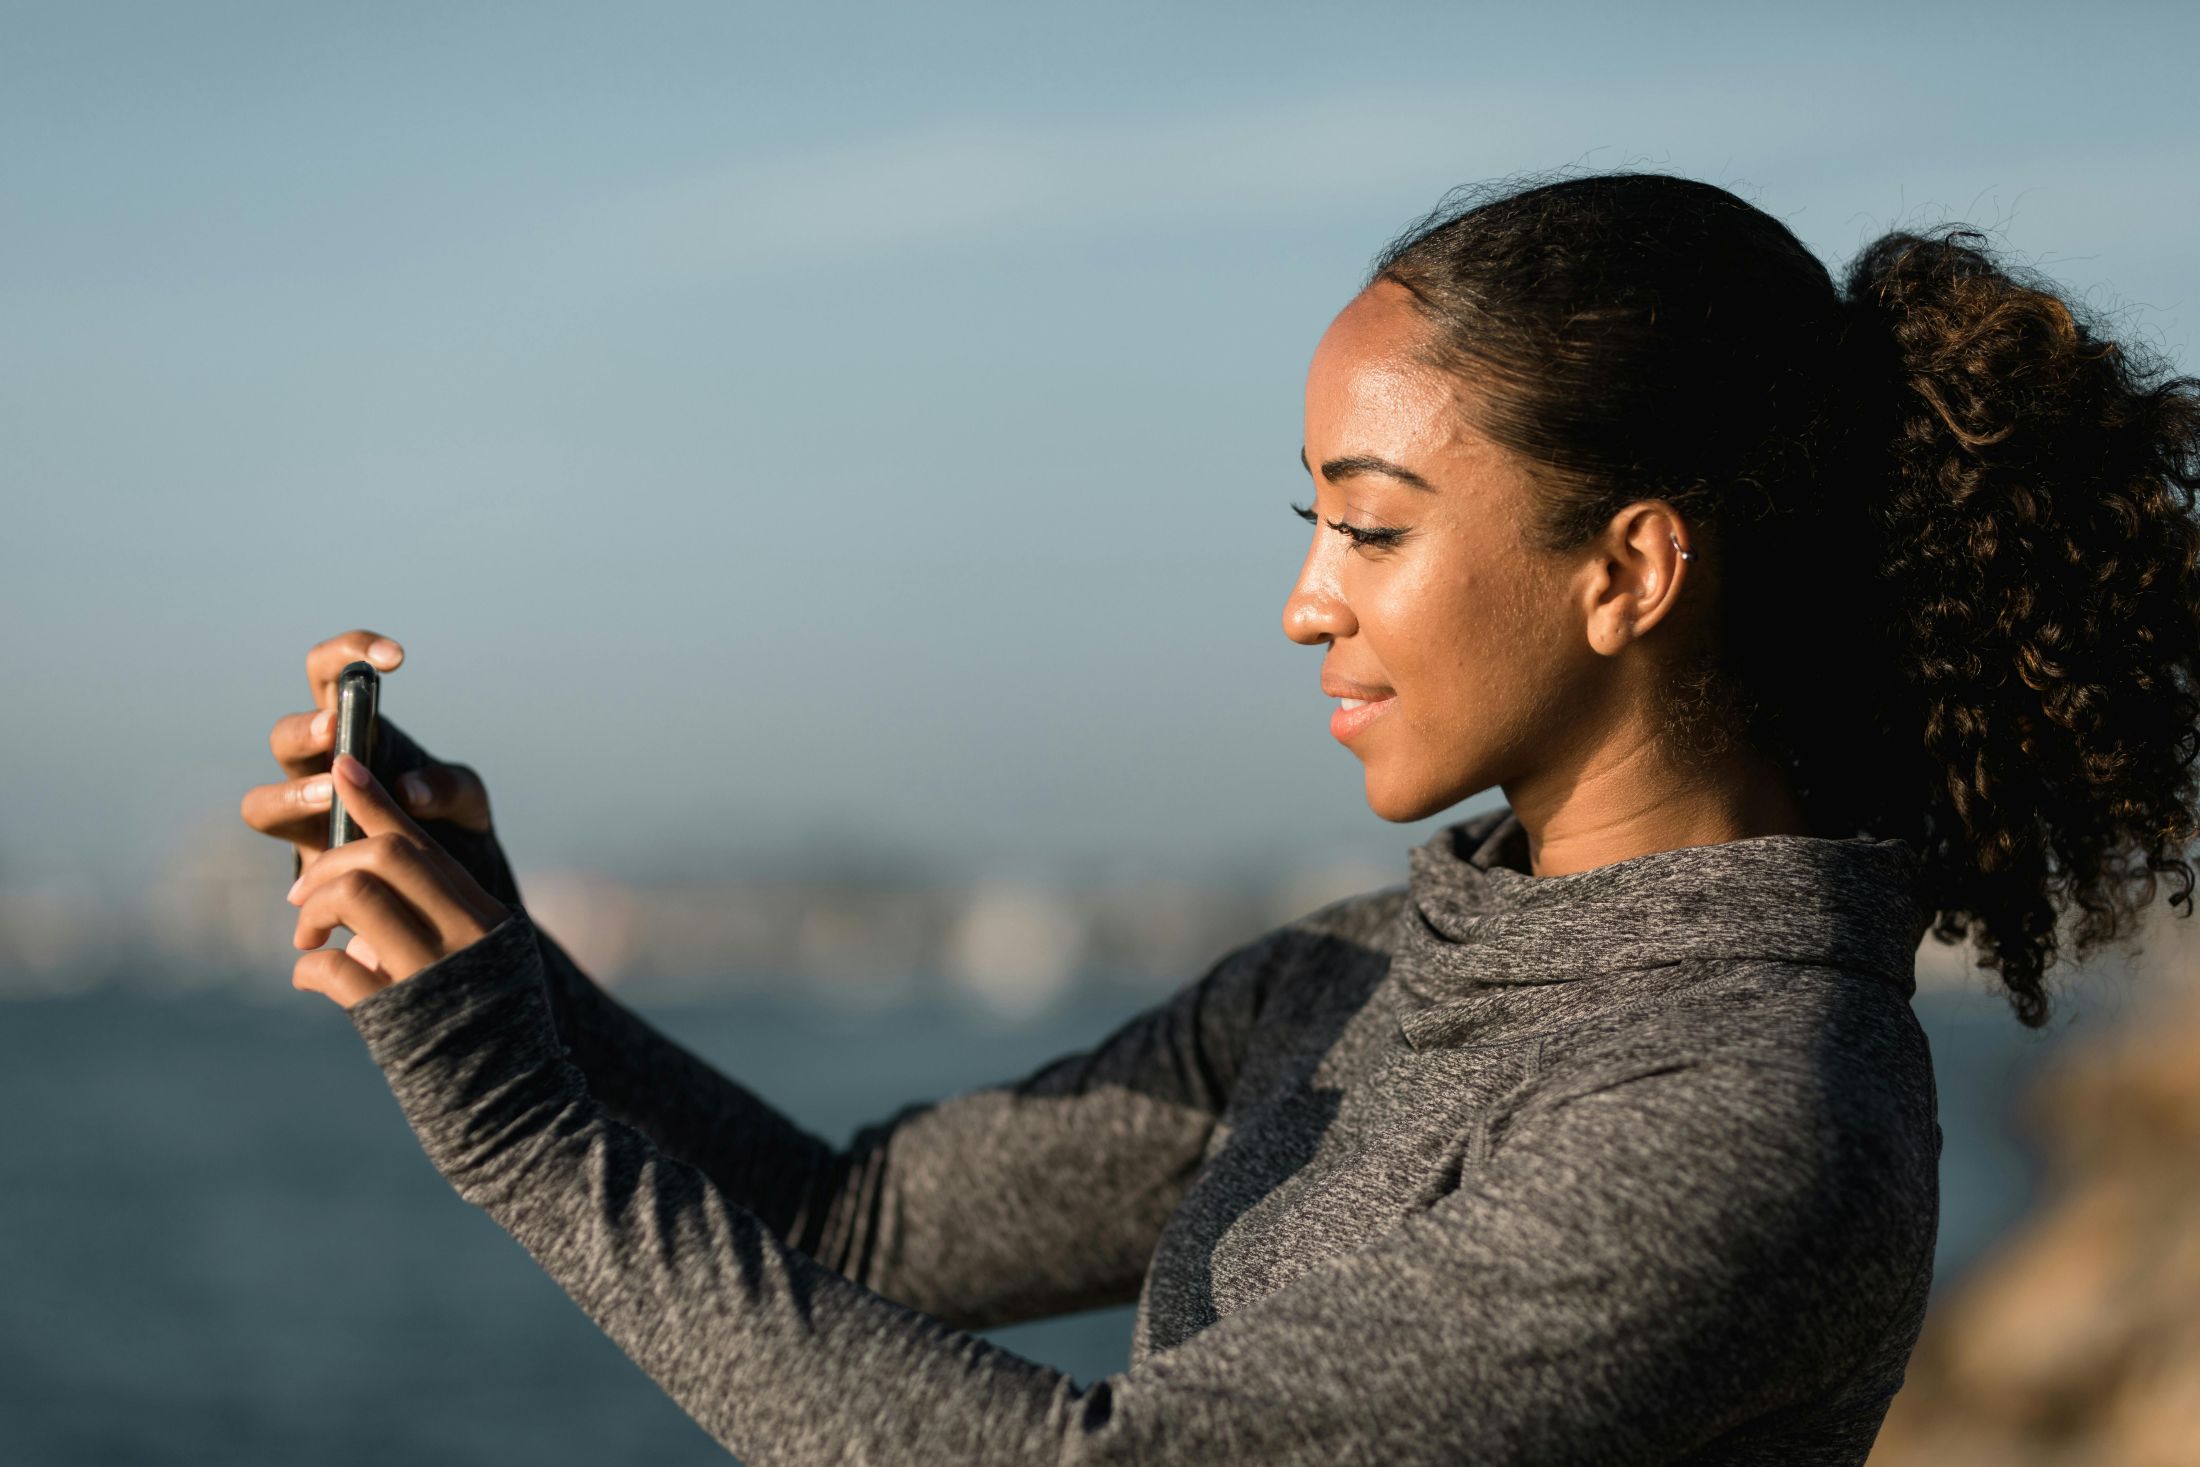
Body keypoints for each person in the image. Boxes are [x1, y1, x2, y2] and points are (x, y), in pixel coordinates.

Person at [240, 170, 2200, 1464]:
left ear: (1628, 569)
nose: (1303, 598)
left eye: (1370, 524)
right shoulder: (1362, 972)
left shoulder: (1738, 1118)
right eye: (1308, 523)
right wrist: (494, 954)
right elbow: (866, 1226)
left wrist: (517, 1125)